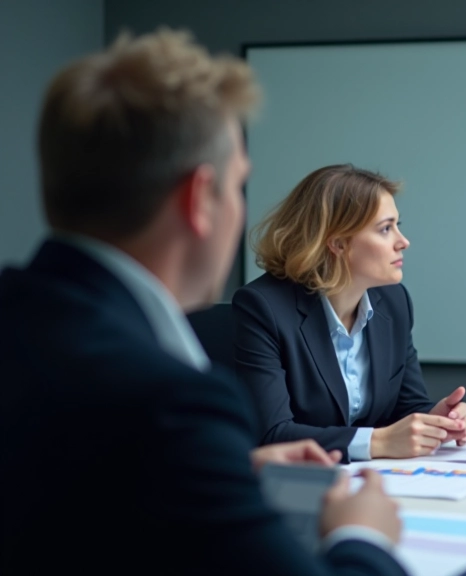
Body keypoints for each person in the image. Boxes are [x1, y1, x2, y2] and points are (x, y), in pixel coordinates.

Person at [0, 30, 407, 575]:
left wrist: (234, 467)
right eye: (238, 186)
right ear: (199, 200)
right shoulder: (170, 405)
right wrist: (364, 534)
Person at [233, 165, 466, 462]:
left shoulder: (394, 301)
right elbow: (274, 434)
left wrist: (434, 421)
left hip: (374, 482)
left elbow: (407, 405)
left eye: (398, 225)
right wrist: (379, 442)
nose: (403, 241)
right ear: (338, 243)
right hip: (299, 488)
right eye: (386, 229)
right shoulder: (263, 308)